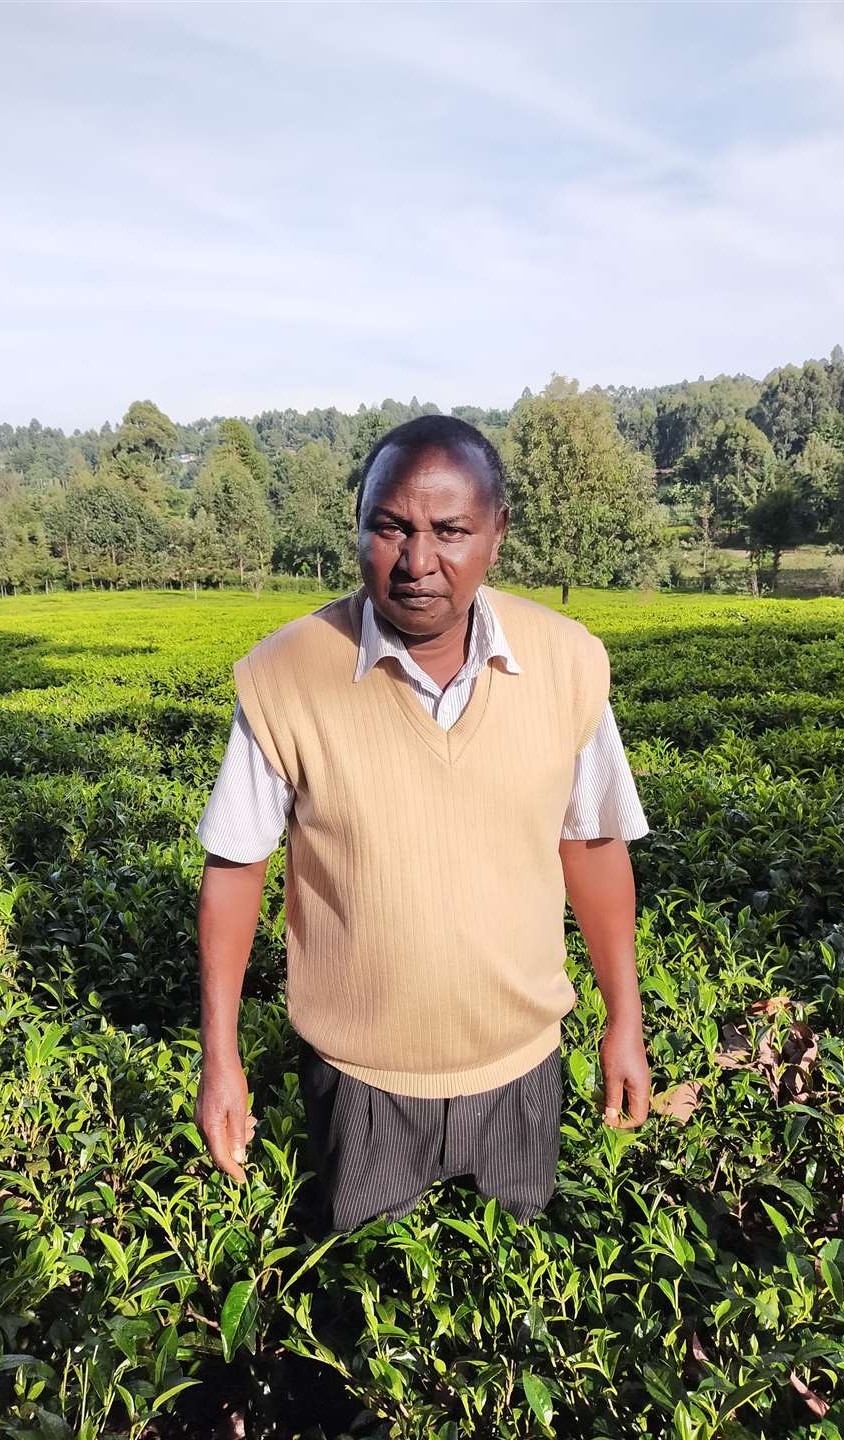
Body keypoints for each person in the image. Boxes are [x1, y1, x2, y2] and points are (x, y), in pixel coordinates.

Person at [194, 414, 651, 1234]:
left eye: (450, 531)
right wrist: (219, 1059)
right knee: (360, 1315)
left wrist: (626, 1020)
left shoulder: (567, 663)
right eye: (391, 528)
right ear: (359, 526)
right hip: (359, 1082)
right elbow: (235, 867)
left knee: (508, 1301)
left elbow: (593, 845)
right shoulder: (286, 675)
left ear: (497, 534)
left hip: (520, 1070)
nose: (417, 562)